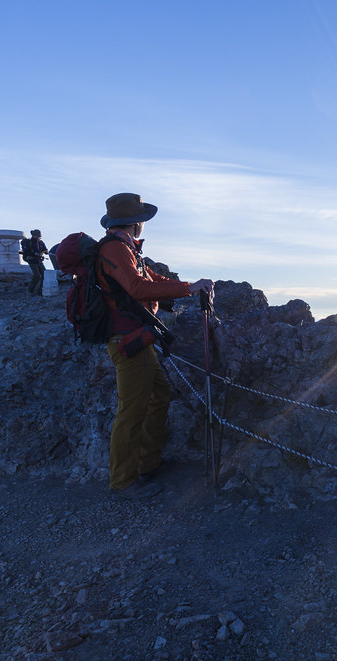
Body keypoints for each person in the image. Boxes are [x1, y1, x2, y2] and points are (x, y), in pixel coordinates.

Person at [97, 193, 214, 500]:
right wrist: (189, 288)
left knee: (158, 395)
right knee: (132, 409)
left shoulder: (126, 249)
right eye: (142, 220)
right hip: (127, 339)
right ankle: (123, 480)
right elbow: (137, 287)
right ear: (136, 222)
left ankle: (149, 463)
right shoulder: (115, 248)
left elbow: (151, 277)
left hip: (139, 337)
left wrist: (188, 287)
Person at [20, 229, 48, 295]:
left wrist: (46, 251)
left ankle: (40, 290)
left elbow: (45, 249)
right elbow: (26, 252)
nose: (38, 237)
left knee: (45, 275)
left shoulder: (41, 243)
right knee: (37, 276)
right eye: (37, 236)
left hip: (39, 261)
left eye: (39, 236)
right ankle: (30, 289)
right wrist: (34, 254)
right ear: (33, 235)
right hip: (32, 261)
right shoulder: (28, 242)